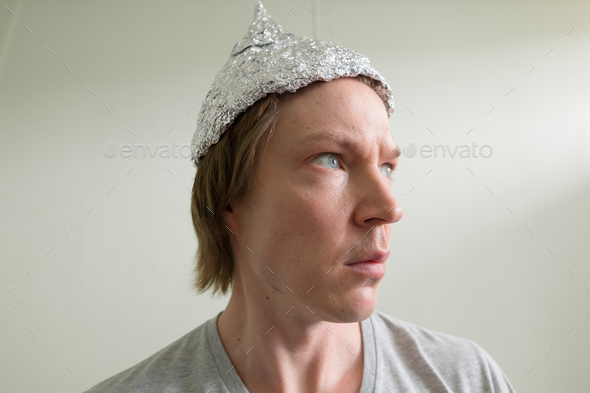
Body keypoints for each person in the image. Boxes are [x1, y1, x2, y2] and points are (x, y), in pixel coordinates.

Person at [85, 2, 515, 392]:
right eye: (331, 160)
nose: (388, 208)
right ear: (229, 200)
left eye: (387, 166)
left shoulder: (464, 379)